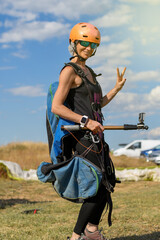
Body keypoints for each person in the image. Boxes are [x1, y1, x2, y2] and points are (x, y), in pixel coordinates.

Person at [52, 22, 126, 240]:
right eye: (84, 43)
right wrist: (85, 121)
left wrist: (116, 89)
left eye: (93, 45)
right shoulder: (69, 71)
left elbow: (97, 104)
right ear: (73, 43)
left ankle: (91, 231)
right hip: (82, 137)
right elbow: (57, 106)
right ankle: (76, 237)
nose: (88, 48)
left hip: (97, 136)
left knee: (106, 184)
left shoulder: (90, 72)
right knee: (95, 188)